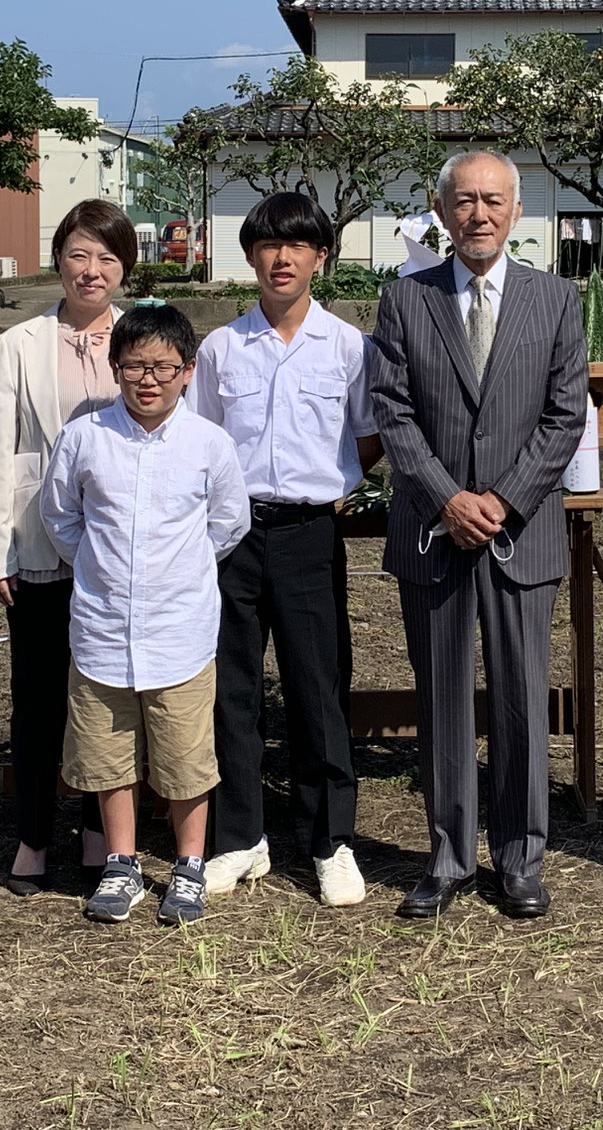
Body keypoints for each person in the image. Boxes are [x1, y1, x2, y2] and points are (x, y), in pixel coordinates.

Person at [369, 150, 589, 921]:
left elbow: (565, 416)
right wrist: (445, 499)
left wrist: (502, 499)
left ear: (517, 211)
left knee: (523, 697)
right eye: (463, 201)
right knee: (443, 698)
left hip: (519, 532)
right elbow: (391, 410)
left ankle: (521, 857)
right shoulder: (405, 300)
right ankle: (448, 855)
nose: (478, 214)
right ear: (441, 209)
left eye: (493, 200)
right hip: (436, 532)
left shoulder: (557, 299)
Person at [188, 193, 382, 907]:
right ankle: (240, 836)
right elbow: (201, 442)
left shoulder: (348, 347)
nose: (282, 258)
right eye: (268, 245)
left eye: (297, 246)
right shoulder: (219, 348)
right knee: (231, 691)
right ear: (249, 256)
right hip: (232, 535)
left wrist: (330, 486)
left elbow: (368, 434)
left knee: (317, 687)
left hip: (308, 532)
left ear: (320, 257)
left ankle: (330, 841)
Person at [41, 304, 250, 925]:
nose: (148, 379)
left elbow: (228, 522)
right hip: (103, 629)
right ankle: (122, 863)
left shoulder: (208, 443)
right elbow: (61, 517)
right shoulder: (86, 437)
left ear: (188, 371)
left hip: (179, 630)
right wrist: (102, 569)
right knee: (109, 754)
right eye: (134, 365)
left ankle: (187, 866)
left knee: (186, 756)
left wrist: (177, 570)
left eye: (163, 366)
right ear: (115, 368)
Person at [0, 199, 134, 893]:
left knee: (107, 700)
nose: (91, 270)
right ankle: (34, 837)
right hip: (37, 544)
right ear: (58, 259)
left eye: (106, 256)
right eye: (78, 253)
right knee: (38, 695)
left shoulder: (140, 338)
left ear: (125, 267)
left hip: (118, 551)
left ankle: (101, 837)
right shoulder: (19, 344)